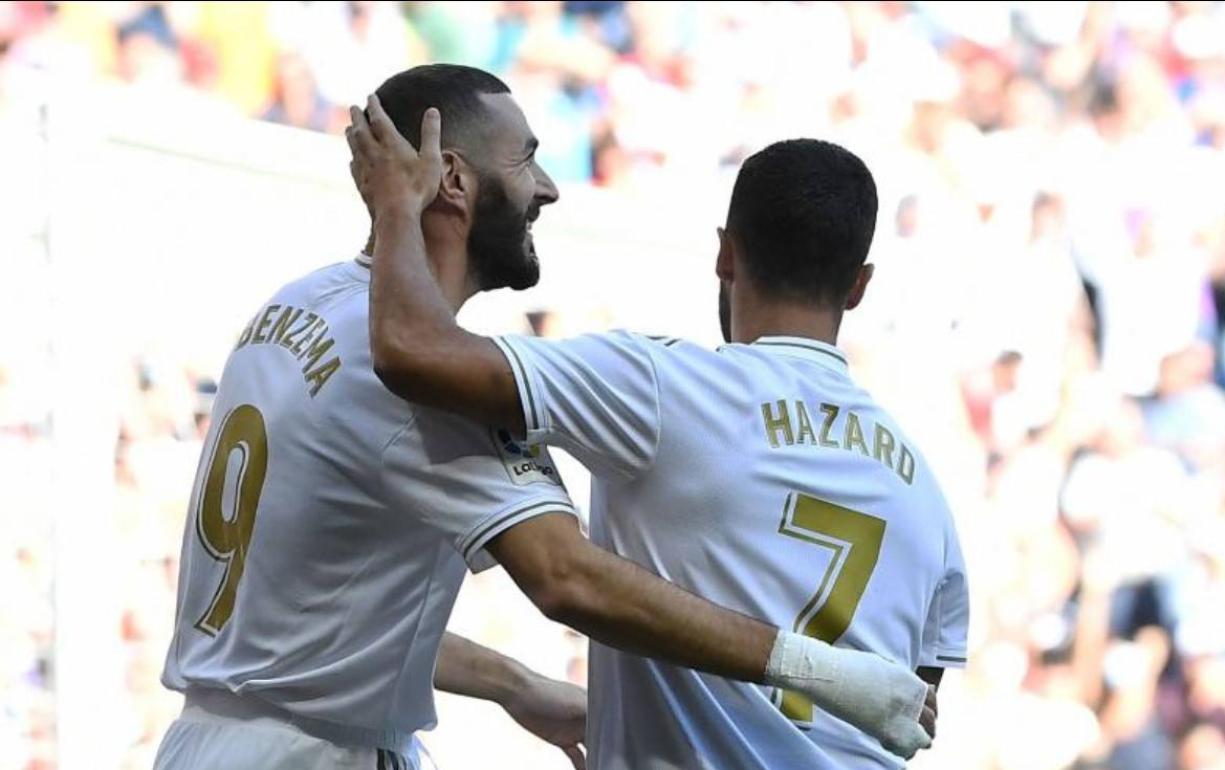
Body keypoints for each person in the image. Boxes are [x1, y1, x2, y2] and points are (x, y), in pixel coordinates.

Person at [155, 65, 936, 770]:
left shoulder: (297, 306)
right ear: (449, 182)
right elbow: (566, 577)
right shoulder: (424, 375)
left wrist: (514, 684)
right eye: (525, 159)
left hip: (208, 743)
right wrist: (829, 673)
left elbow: (310, 628)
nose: (550, 188)